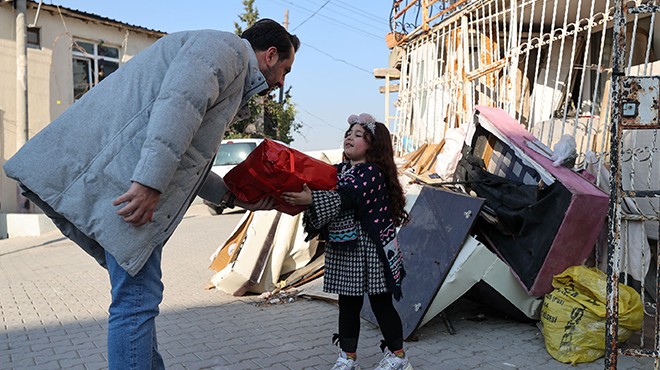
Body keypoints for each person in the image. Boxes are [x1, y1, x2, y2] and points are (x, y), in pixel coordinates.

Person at [3, 19, 299, 370]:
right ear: (270, 54)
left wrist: (230, 197)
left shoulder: (225, 63)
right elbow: (178, 106)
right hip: (128, 190)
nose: (281, 81)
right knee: (135, 302)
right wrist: (149, 183)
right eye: (285, 70)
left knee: (138, 299)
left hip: (122, 185)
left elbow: (190, 156)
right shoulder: (226, 50)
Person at [282, 113, 413, 370]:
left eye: (358, 135)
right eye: (348, 133)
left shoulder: (372, 173)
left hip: (373, 248)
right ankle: (347, 358)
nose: (349, 137)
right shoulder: (338, 170)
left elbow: (349, 196)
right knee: (348, 305)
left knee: (380, 304)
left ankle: (399, 357)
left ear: (374, 145)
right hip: (346, 248)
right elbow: (321, 186)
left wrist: (312, 200)